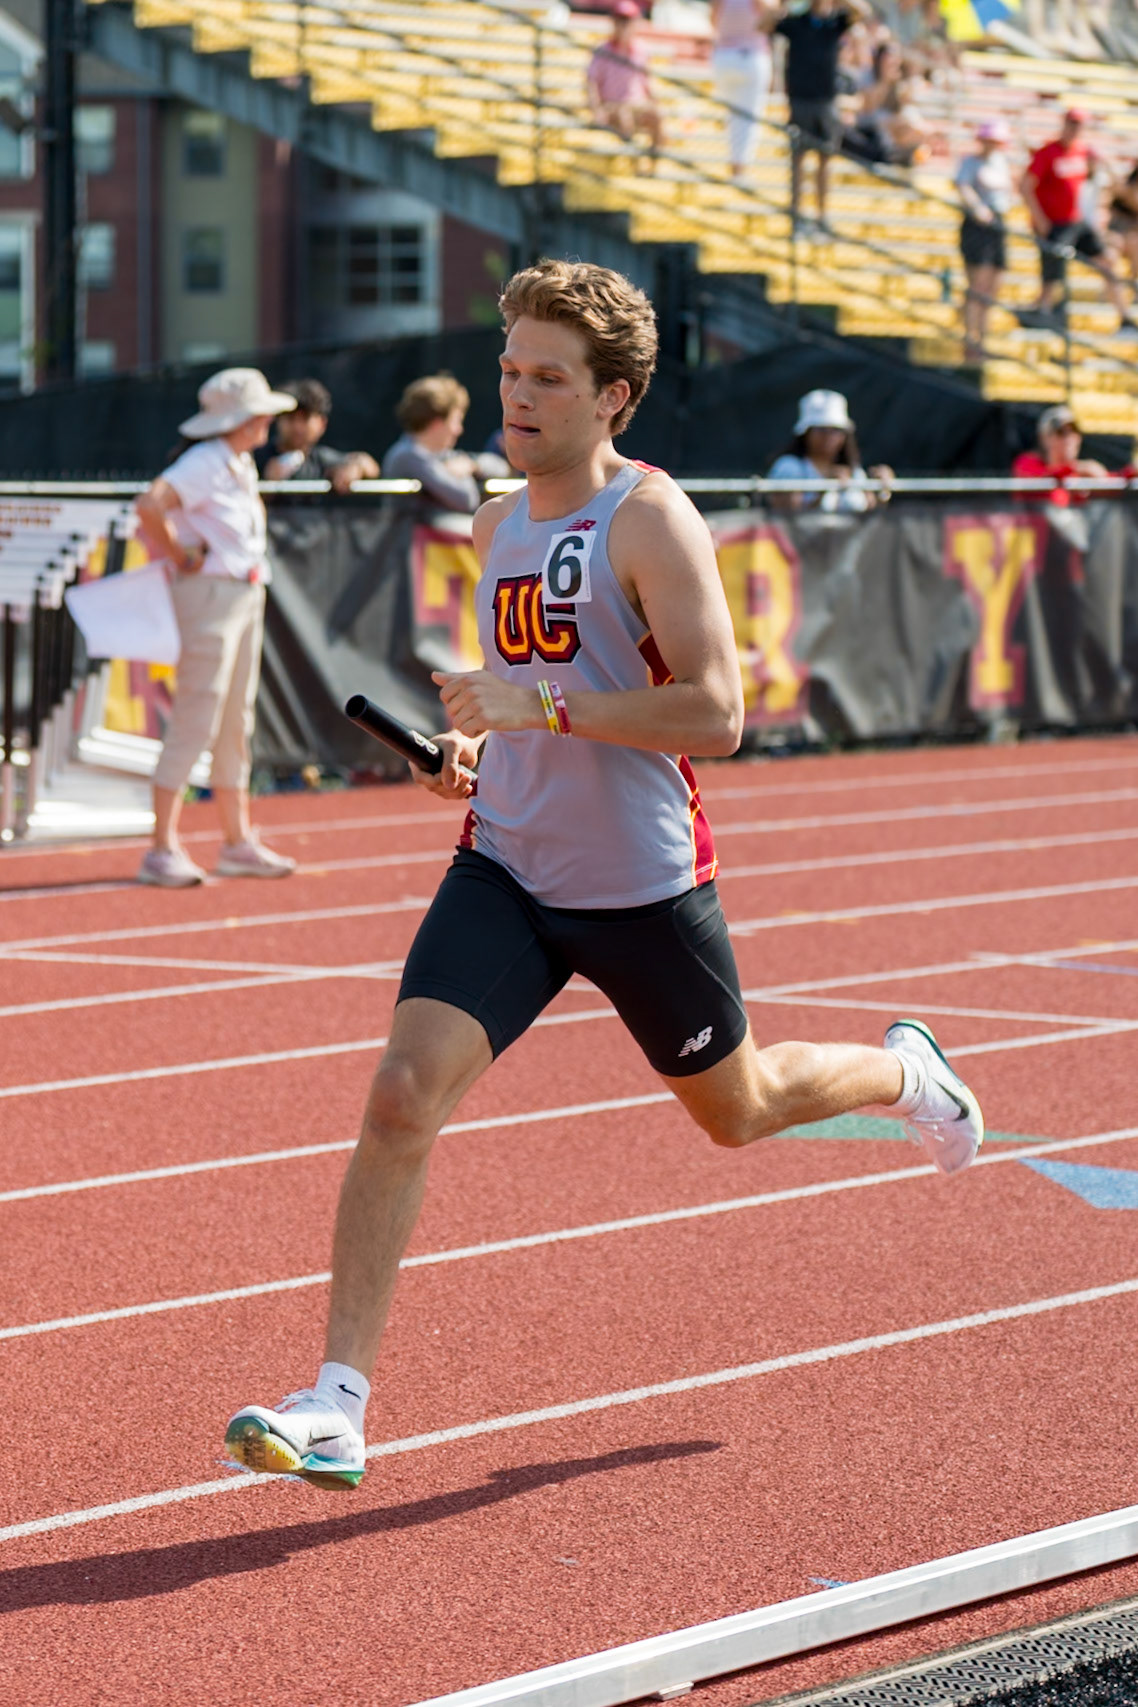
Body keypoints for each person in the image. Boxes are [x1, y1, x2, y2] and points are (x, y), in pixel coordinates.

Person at [224, 259, 984, 1488]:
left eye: (547, 378)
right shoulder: (494, 521)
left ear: (613, 396)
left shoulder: (649, 518)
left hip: (638, 883)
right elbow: (525, 703)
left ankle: (909, 1075)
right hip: (507, 865)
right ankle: (337, 1405)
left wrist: (538, 709)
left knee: (740, 1111)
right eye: (508, 370)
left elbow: (716, 714)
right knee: (402, 1097)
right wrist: (478, 751)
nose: (516, 396)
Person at [133, 368, 299, 888]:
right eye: (261, 412)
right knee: (198, 715)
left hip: (239, 593)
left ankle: (235, 841)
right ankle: (161, 847)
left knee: (233, 720)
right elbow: (149, 505)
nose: (269, 420)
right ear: (242, 419)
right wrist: (180, 556)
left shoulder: (235, 460)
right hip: (212, 594)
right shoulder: (205, 460)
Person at [1018, 109, 1138, 337]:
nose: (1075, 129)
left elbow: (1114, 189)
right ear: (1064, 124)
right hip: (1054, 223)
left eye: (1079, 125)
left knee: (1107, 262)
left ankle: (1124, 318)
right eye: (1072, 123)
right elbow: (1026, 186)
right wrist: (1040, 220)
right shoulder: (1048, 153)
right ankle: (1043, 311)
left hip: (1076, 221)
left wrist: (1106, 165)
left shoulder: (1083, 152)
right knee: (1052, 272)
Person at [767, 388, 892, 511]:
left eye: (836, 430)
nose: (829, 436)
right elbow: (789, 516)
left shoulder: (854, 471)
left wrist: (881, 491)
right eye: (821, 430)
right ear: (806, 433)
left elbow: (869, 515)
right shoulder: (789, 466)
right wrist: (826, 488)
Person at [380, 374, 482, 514]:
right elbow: (467, 499)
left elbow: (500, 468)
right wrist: (462, 472)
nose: (459, 430)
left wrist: (472, 465)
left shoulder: (443, 455)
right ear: (437, 423)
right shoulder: (406, 456)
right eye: (455, 421)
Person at [955, 120, 1014, 362]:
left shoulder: (1001, 163)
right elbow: (963, 186)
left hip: (997, 223)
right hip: (977, 226)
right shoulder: (971, 162)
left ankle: (983, 338)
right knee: (978, 286)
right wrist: (978, 208)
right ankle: (971, 339)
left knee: (992, 286)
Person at [258, 378, 380, 492]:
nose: (297, 426)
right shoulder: (256, 458)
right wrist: (268, 485)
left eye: (305, 419)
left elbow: (369, 465)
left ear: (322, 424)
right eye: (291, 418)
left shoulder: (322, 460)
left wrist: (355, 468)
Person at [585, 0, 665, 165]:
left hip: (636, 104)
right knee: (624, 116)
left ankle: (653, 165)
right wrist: (596, 110)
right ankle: (633, 165)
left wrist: (655, 102)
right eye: (620, 20)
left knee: (656, 116)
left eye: (627, 21)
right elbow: (591, 83)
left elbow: (646, 83)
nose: (623, 26)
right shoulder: (602, 51)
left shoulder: (641, 51)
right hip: (612, 105)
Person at [710, 0, 776, 179]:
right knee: (747, 117)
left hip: (724, 56)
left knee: (735, 116)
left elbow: (713, 19)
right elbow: (771, 17)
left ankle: (736, 168)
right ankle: (739, 171)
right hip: (751, 57)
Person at [1011, 402, 1109, 506]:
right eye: (1061, 432)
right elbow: (1039, 479)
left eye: (1074, 431)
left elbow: (1111, 483)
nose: (1069, 439)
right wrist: (1076, 468)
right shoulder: (1026, 463)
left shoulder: (1082, 474)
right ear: (1044, 438)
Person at [1107, 158, 1138, 289]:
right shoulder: (1130, 176)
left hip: (1131, 229)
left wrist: (1126, 192)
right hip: (1117, 228)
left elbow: (1133, 201)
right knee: (1111, 255)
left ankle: (1134, 286)